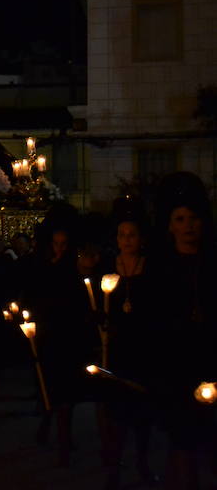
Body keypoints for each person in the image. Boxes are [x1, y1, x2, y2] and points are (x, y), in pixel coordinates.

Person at [148, 172, 217, 490]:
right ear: (170, 225)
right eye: (181, 219)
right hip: (176, 369)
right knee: (183, 442)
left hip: (210, 362)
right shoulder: (162, 268)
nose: (189, 225)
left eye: (194, 218)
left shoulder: (211, 263)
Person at [24, 226, 99, 466]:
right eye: (56, 243)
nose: (60, 248)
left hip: (73, 337)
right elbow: (35, 297)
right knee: (57, 390)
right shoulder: (44, 268)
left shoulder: (76, 270)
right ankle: (61, 439)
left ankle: (53, 428)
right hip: (51, 337)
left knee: (69, 392)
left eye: (64, 243)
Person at [99, 214, 159, 488]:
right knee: (116, 413)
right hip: (117, 347)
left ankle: (142, 461)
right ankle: (114, 466)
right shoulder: (109, 270)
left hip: (143, 348)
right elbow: (99, 307)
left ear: (141, 238)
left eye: (131, 234)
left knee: (141, 412)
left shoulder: (151, 268)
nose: (126, 240)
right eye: (122, 235)